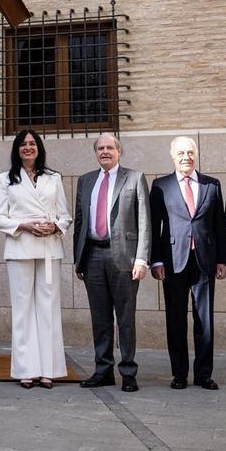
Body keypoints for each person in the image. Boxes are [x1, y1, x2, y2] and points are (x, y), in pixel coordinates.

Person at [0, 129, 72, 389]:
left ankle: (49, 369)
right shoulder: (6, 179)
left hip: (48, 250)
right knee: (23, 310)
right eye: (23, 144)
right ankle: (26, 369)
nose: (28, 147)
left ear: (39, 148)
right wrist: (24, 225)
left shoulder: (53, 178)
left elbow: (65, 215)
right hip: (20, 249)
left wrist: (55, 227)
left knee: (48, 309)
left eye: (32, 143)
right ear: (17, 149)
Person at [73, 132, 151, 392]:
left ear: (119, 151)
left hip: (124, 258)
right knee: (100, 317)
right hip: (93, 255)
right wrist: (78, 259)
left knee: (125, 317)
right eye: (100, 148)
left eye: (110, 148)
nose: (105, 152)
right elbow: (80, 223)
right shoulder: (85, 181)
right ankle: (103, 370)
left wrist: (142, 258)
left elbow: (145, 222)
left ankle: (128, 371)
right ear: (96, 153)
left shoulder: (135, 178)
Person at [149, 136, 226, 390]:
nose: (187, 157)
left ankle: (204, 374)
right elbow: (153, 227)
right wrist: (156, 260)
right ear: (173, 157)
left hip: (205, 260)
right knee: (175, 319)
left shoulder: (211, 185)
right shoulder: (161, 186)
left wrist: (222, 260)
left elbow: (219, 226)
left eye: (191, 152)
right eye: (181, 153)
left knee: (204, 320)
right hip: (172, 261)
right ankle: (179, 374)